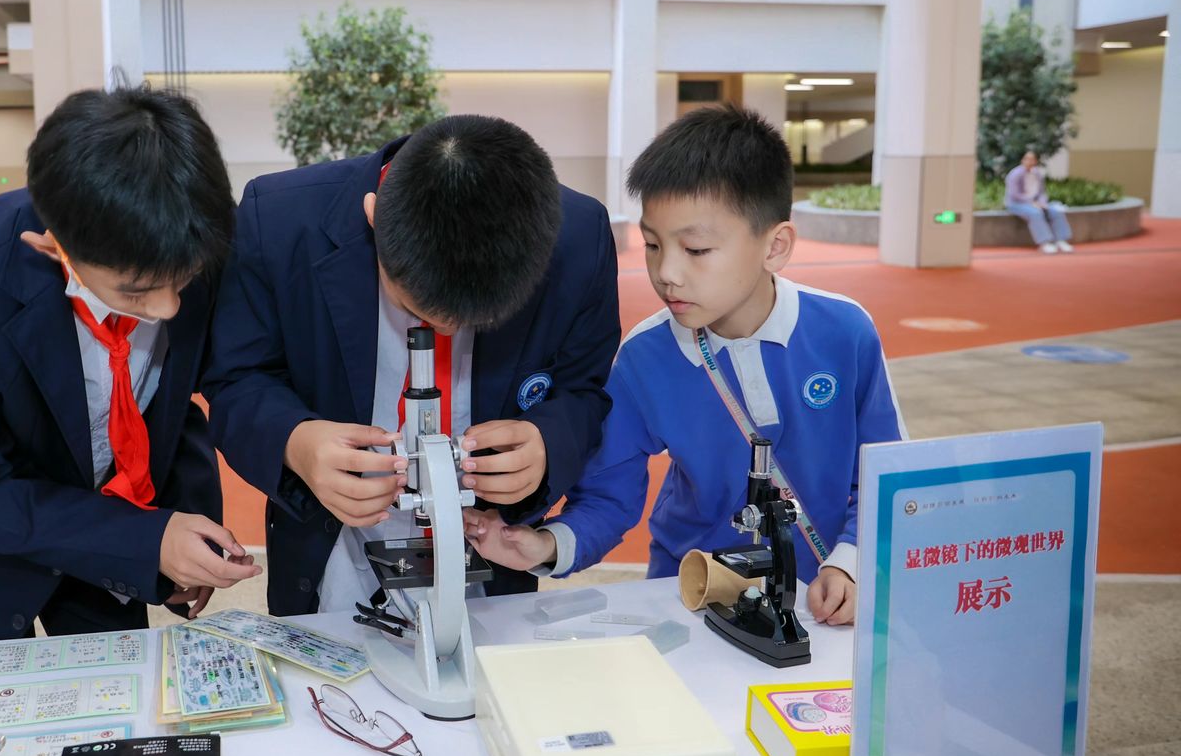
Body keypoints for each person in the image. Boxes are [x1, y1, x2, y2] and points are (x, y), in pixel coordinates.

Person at [464, 104, 905, 626]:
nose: (666, 272)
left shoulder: (845, 332)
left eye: (695, 249)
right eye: (652, 244)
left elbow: (884, 474)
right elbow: (607, 496)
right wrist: (544, 545)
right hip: (692, 596)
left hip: (822, 602)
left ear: (776, 246)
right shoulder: (644, 358)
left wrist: (850, 562)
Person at [0, 84, 261, 643]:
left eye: (184, 281)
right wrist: (145, 540)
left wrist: (182, 531)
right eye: (135, 293)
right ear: (53, 245)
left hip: (103, 549)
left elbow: (171, 409)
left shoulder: (192, 238)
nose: (168, 308)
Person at [202, 114, 620, 617]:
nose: (443, 329)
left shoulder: (580, 238)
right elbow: (237, 379)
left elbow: (583, 390)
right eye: (417, 308)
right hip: (331, 541)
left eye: (469, 320)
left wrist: (547, 443)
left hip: (487, 549)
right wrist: (297, 443)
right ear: (373, 218)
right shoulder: (279, 220)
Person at [1005, 151, 1074, 254]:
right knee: (1035, 213)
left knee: (1056, 211)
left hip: (1036, 203)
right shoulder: (1015, 174)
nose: (1029, 161)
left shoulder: (1037, 174)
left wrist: (1042, 202)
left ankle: (1061, 240)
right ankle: (1044, 242)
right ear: (1022, 160)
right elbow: (1014, 194)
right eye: (1027, 159)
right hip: (1017, 204)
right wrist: (1031, 203)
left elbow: (1042, 192)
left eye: (1032, 159)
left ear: (1035, 161)